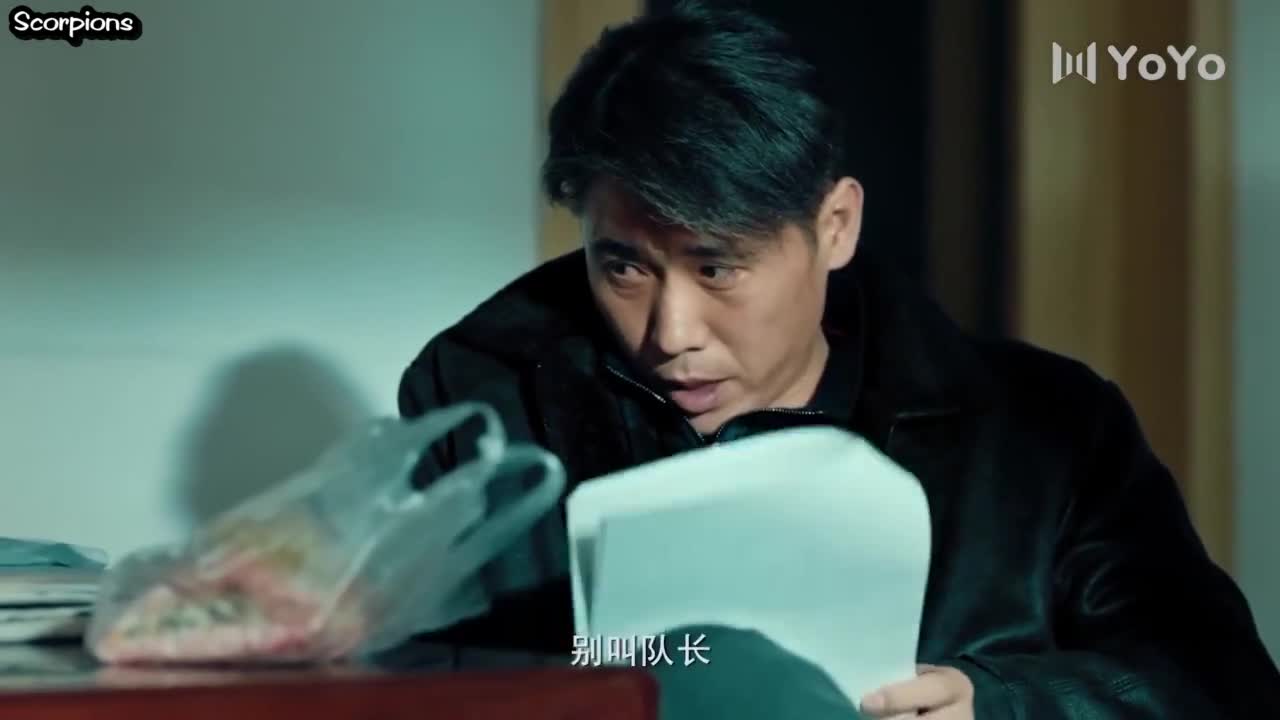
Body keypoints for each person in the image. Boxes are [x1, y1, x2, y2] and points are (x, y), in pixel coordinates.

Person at [397, 2, 1280, 717]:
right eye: (623, 267)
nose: (671, 333)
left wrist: (1001, 704)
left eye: (717, 267)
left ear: (836, 226)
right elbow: (406, 675)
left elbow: (1221, 683)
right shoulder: (487, 403)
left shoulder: (1049, 430)